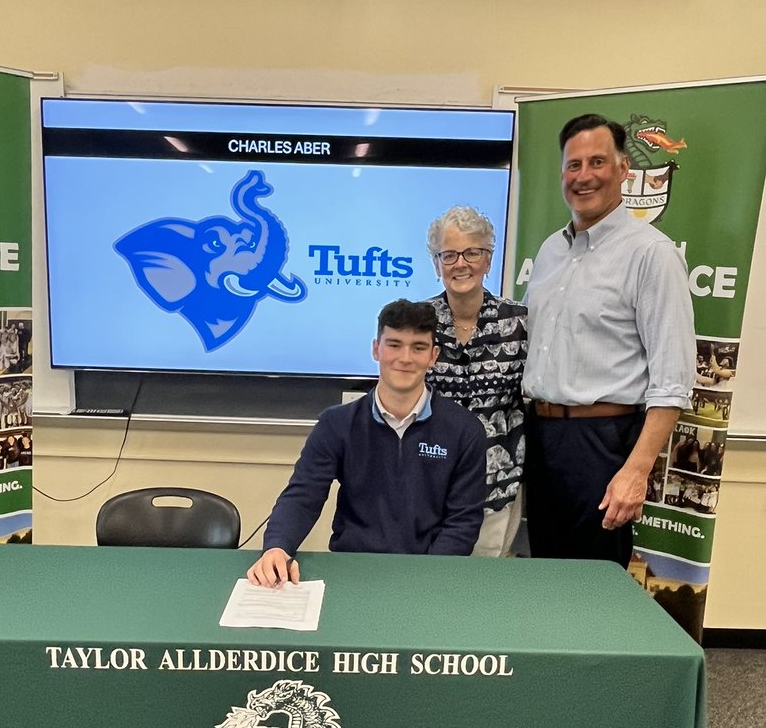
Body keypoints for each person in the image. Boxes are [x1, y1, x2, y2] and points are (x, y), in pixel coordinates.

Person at [522, 113, 695, 567]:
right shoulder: (549, 251)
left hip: (601, 444)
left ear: (623, 170)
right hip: (539, 438)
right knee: (542, 576)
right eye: (573, 165)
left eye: (597, 162)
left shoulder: (651, 254)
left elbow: (672, 380)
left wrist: (636, 472)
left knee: (595, 589)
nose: (584, 176)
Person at [247, 299, 487, 587]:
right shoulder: (337, 424)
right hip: (351, 571)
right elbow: (303, 495)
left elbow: (463, 522)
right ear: (376, 349)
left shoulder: (464, 430)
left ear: (433, 355)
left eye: (418, 347)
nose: (405, 358)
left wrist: (427, 577)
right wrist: (277, 547)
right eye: (394, 344)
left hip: (429, 576)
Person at [425, 206, 527, 558]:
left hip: (496, 485)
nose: (460, 263)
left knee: (484, 590)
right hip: (430, 482)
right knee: (428, 586)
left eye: (472, 252)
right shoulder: (418, 322)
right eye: (449, 254)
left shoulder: (520, 323)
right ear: (437, 263)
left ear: (487, 260)